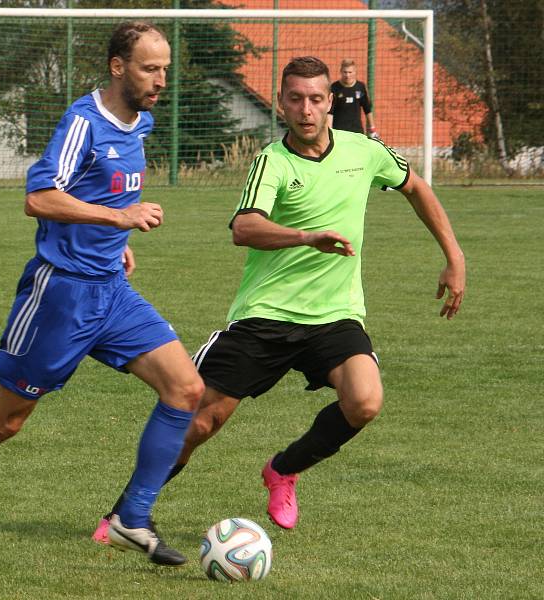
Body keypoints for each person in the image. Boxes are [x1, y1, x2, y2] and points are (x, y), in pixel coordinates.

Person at [93, 55, 465, 541]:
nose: (306, 110)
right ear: (281, 104)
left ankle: (283, 469)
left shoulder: (365, 151)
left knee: (365, 401)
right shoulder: (272, 160)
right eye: (295, 99)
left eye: (315, 99)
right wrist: (307, 237)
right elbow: (244, 227)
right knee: (200, 423)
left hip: (334, 315)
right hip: (264, 316)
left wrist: (453, 255)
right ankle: (125, 514)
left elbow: (415, 186)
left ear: (330, 102)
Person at [0, 21, 204, 568]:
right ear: (118, 67)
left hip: (112, 293)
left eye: (164, 69)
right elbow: (39, 197)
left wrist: (115, 239)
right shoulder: (82, 123)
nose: (161, 80)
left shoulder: (140, 124)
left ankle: (130, 517)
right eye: (149, 68)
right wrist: (120, 218)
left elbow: (104, 190)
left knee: (185, 389)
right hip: (59, 298)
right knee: (5, 421)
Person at [328, 58, 379, 139]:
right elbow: (330, 113)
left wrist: (372, 129)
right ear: (341, 71)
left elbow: (367, 110)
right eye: (345, 72)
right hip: (339, 133)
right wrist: (330, 131)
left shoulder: (360, 87)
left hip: (357, 132)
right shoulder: (334, 87)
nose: (347, 75)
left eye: (350, 72)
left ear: (355, 72)